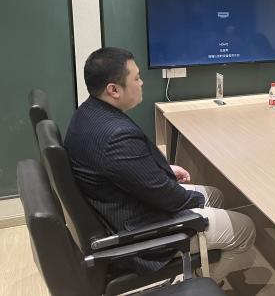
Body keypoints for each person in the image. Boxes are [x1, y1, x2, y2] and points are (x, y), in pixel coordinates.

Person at [64, 47, 256, 282]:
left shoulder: (87, 114)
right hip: (142, 232)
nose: (142, 83)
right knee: (245, 228)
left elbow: (127, 169)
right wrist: (193, 200)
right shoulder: (116, 136)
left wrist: (163, 171)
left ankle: (200, 264)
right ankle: (197, 283)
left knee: (215, 195)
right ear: (113, 90)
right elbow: (168, 197)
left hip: (121, 206)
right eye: (136, 78)